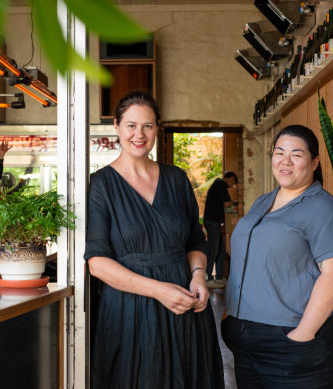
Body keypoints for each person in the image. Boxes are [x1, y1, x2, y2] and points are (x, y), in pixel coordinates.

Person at [84, 91, 225, 389]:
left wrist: (199, 275)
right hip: (129, 308)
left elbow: (195, 241)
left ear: (157, 129)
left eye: (148, 126)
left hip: (185, 303)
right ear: (117, 126)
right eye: (131, 125)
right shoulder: (101, 185)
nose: (139, 134)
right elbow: (97, 263)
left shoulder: (176, 179)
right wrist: (158, 291)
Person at [222, 125, 333, 388]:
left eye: (297, 154)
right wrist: (230, 314)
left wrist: (303, 334)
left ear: (314, 162)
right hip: (247, 339)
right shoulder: (263, 201)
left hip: (291, 342)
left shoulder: (324, 209)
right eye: (279, 153)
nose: (285, 161)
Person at [203, 171, 238, 288]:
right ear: (229, 178)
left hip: (215, 222)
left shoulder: (218, 185)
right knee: (213, 250)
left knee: (221, 251)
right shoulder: (220, 184)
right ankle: (207, 278)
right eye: (233, 182)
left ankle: (219, 277)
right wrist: (235, 202)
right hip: (212, 222)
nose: (232, 185)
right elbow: (227, 204)